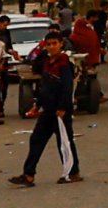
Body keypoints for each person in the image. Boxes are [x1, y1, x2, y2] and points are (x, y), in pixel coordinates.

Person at [7, 29, 79, 187]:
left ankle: (73, 172)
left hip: (60, 111)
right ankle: (28, 175)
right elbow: (44, 87)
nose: (52, 47)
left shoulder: (64, 64)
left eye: (55, 44)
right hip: (47, 110)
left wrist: (63, 108)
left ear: (61, 44)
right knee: (36, 140)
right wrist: (37, 105)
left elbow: (67, 88)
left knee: (65, 142)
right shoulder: (47, 63)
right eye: (49, 44)